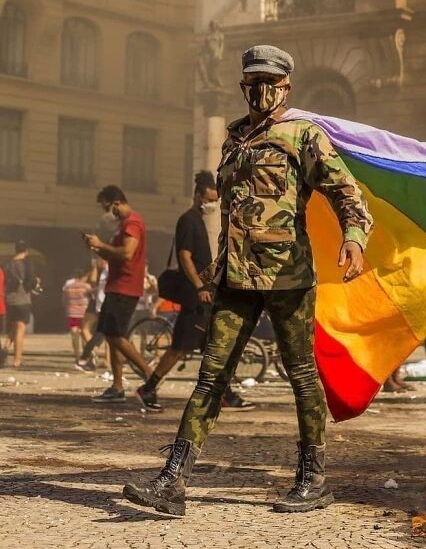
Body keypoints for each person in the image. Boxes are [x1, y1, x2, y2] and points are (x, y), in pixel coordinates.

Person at [123, 44, 373, 517]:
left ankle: (313, 479)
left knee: (301, 377)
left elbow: (347, 194)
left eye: (267, 83)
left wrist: (354, 239)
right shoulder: (233, 139)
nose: (259, 91)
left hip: (288, 278)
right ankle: (173, 482)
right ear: (242, 88)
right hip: (235, 278)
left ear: (284, 87)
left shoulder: (304, 136)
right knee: (210, 378)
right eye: (251, 83)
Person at [136, 170, 254, 413]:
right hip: (195, 297)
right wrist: (199, 286)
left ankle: (225, 394)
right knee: (179, 347)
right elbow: (184, 256)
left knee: (215, 346)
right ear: (198, 196)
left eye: (214, 200)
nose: (212, 204)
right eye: (209, 200)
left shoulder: (197, 220)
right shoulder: (188, 220)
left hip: (203, 296)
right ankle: (148, 387)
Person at [83, 186, 154, 401]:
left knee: (116, 335)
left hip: (125, 286)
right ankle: (117, 386)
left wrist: (100, 244)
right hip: (115, 286)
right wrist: (96, 248)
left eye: (108, 207)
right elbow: (114, 254)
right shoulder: (122, 225)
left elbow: (127, 253)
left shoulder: (132, 223)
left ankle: (151, 377)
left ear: (116, 202)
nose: (108, 213)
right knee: (111, 335)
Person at [3, 241, 38, 368]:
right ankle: (17, 360)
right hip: (23, 299)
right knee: (20, 329)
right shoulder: (27, 263)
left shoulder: (8, 264)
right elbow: (32, 280)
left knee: (14, 326)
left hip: (10, 299)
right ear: (26, 251)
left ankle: (5, 348)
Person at [62, 267, 94, 359]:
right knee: (85, 332)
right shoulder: (86, 286)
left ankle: (77, 355)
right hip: (84, 313)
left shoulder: (68, 287)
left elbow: (64, 300)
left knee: (74, 334)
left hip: (72, 313)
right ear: (84, 276)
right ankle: (87, 354)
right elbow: (92, 296)